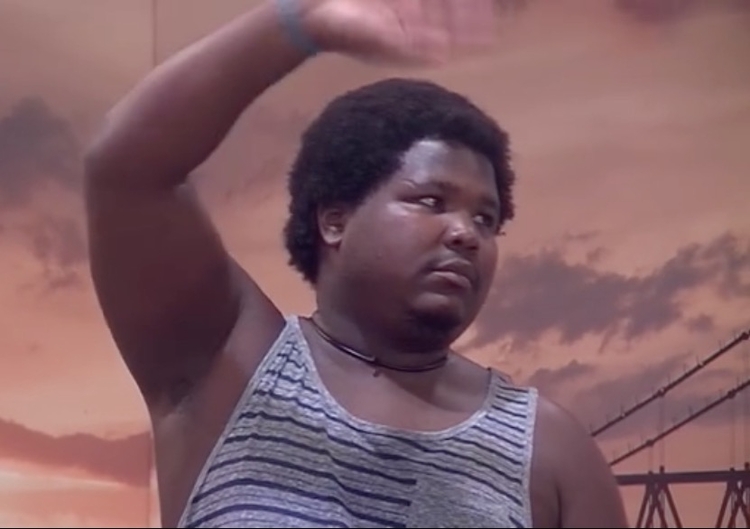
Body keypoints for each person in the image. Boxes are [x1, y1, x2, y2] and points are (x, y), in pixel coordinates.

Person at [83, 0, 629, 527]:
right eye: (431, 201)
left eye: (486, 219)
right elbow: (127, 167)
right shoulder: (224, 361)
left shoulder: (551, 453)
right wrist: (303, 20)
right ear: (335, 221)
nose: (466, 233)